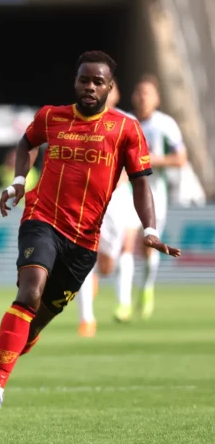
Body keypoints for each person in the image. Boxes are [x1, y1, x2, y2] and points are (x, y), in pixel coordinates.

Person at [0, 51, 181, 423]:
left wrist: (149, 229)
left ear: (110, 87)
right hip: (42, 220)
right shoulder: (52, 116)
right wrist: (20, 181)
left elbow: (141, 184)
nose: (90, 86)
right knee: (30, 292)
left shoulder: (125, 129)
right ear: (75, 81)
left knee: (33, 326)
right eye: (84, 79)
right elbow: (26, 143)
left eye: (98, 81)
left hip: (85, 241)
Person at [117, 75, 187, 322]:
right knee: (126, 243)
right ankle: (123, 304)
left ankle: (146, 288)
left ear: (157, 99)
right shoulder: (126, 121)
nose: (141, 97)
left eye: (147, 93)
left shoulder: (165, 124)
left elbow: (180, 159)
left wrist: (152, 160)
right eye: (138, 92)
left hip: (155, 194)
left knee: (148, 247)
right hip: (129, 192)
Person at [75, 80, 141, 337]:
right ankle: (86, 319)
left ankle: (112, 292)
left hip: (116, 199)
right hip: (86, 197)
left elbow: (135, 161)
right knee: (83, 255)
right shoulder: (79, 121)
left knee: (107, 266)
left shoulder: (127, 122)